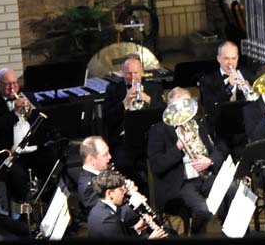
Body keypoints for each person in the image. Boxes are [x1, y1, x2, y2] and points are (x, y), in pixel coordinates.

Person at [146, 87, 228, 234]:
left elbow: (218, 149)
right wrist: (178, 147)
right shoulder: (158, 131)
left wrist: (209, 160)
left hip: (205, 177)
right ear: (170, 108)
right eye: (180, 107)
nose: (184, 112)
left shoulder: (199, 124)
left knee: (233, 190)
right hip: (180, 184)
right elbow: (157, 166)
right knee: (203, 210)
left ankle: (233, 233)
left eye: (187, 105)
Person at [0, 67, 47, 205]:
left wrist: (30, 115)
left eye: (15, 83)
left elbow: (41, 123)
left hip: (32, 149)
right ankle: (25, 206)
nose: (13, 88)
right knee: (17, 174)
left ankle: (45, 199)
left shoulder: (28, 97)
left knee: (51, 160)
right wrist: (14, 113)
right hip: (9, 153)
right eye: (8, 84)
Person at [103, 55, 160, 191]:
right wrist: (125, 102)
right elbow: (108, 118)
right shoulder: (113, 90)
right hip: (124, 141)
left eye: (136, 73)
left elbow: (164, 112)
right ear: (123, 73)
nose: (133, 77)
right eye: (128, 73)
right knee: (122, 164)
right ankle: (137, 189)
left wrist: (148, 100)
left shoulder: (154, 88)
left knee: (161, 161)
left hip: (149, 139)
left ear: (142, 72)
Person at [87, 169, 165, 239]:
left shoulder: (100, 208)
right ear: (110, 193)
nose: (124, 192)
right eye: (121, 189)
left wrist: (136, 228)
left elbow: (120, 232)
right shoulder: (108, 221)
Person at [198, 41, 255, 122]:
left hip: (245, 122)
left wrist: (250, 90)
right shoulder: (207, 81)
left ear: (238, 58)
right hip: (221, 124)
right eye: (226, 58)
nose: (230, 62)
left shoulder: (247, 74)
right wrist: (229, 86)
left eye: (233, 58)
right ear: (219, 59)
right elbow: (211, 108)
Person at [77, 136, 114, 215]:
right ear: (91, 160)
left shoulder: (104, 169)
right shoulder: (88, 189)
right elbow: (106, 216)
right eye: (105, 154)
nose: (110, 157)